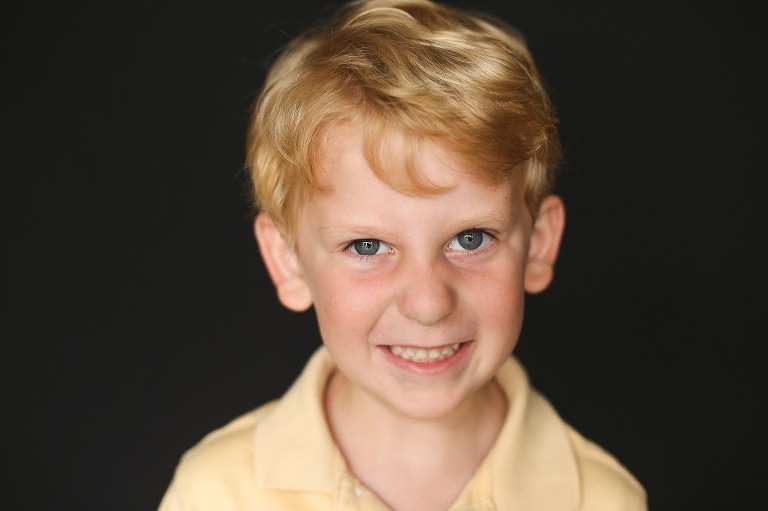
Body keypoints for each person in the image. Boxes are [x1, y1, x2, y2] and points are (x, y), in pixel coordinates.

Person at [159, 0, 647, 509]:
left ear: (539, 244)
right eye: (367, 246)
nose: (428, 303)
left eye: (471, 239)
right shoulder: (217, 491)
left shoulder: (602, 499)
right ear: (289, 261)